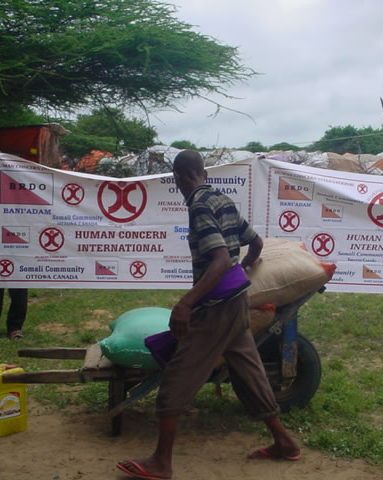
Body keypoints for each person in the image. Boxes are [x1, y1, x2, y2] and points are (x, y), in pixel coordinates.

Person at [117, 150, 299, 479]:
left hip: (214, 309)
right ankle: (284, 443)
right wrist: (243, 269)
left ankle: (161, 462)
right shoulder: (221, 199)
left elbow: (219, 261)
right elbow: (255, 243)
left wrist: (185, 304)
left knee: (178, 374)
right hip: (237, 302)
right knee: (249, 372)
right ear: (203, 173)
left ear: (179, 178)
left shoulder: (199, 205)